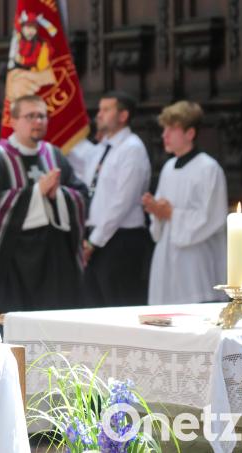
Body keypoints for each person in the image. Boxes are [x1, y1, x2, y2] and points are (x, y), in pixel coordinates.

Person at [0, 95, 88, 315]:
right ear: (13, 121)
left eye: (42, 116)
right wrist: (35, 193)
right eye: (30, 116)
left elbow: (81, 194)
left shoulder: (54, 155)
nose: (38, 121)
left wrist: (59, 195)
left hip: (54, 261)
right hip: (15, 261)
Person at [142, 101, 227, 305]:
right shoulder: (168, 167)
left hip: (196, 261)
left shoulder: (208, 168)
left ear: (190, 133)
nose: (164, 135)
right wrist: (156, 211)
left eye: (171, 129)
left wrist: (171, 213)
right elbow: (162, 216)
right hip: (167, 253)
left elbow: (212, 217)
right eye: (164, 129)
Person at [82, 91, 153, 307]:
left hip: (121, 239)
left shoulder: (132, 148)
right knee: (94, 305)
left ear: (123, 116)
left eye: (106, 110)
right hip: (95, 237)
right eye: (99, 109)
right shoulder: (101, 149)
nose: (99, 115)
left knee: (118, 304)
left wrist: (94, 241)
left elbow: (122, 201)